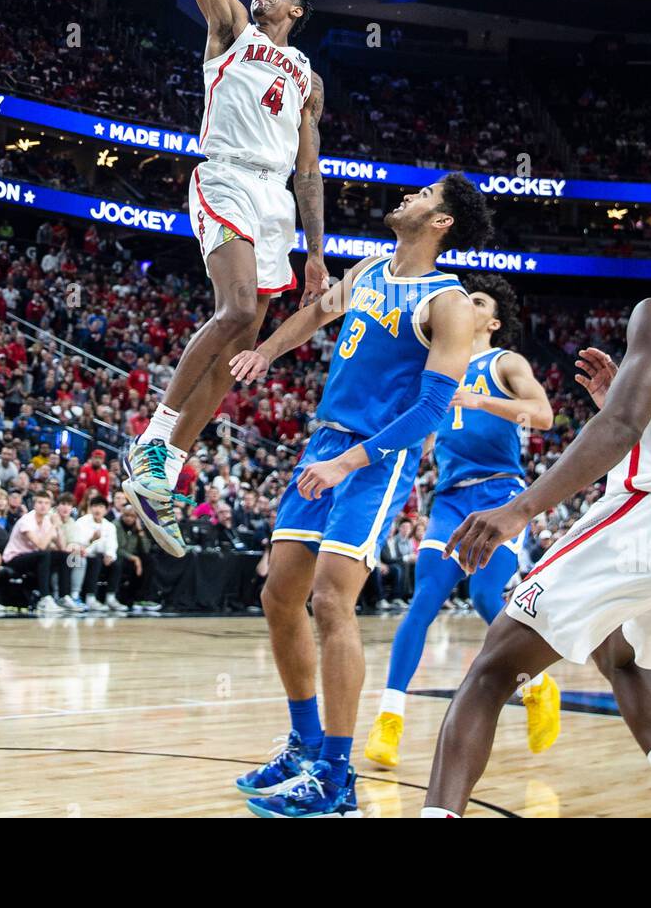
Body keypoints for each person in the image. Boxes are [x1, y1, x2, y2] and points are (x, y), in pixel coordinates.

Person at [423, 204, 651, 819]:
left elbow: (621, 425)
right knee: (626, 658)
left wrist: (520, 510)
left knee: (492, 670)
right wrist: (617, 397)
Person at [228, 175, 492, 818]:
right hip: (326, 442)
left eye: (425, 194)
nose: (409, 195)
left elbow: (431, 407)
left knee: (330, 600)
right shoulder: (371, 268)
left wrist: (350, 462)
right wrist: (265, 352)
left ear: (442, 222)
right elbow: (316, 314)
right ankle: (304, 745)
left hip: (375, 460)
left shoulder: (449, 303)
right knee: (279, 595)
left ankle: (337, 777)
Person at [123, 0, 329, 558]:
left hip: (277, 202)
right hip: (227, 176)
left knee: (243, 340)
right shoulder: (233, 31)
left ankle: (165, 472)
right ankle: (154, 435)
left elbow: (310, 169)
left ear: (299, 10)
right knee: (237, 309)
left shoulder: (309, 80)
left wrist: (318, 252)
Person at [365, 275, 560, 769]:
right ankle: (389, 719)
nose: (464, 304)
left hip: (500, 493)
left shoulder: (505, 361)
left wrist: (481, 400)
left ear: (492, 321)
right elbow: (432, 428)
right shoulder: (441, 368)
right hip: (450, 499)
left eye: (476, 301)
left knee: (482, 597)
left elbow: (543, 415)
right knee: (423, 601)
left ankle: (537, 683)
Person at [3, 491, 72, 615]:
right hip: (15, 558)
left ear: (50, 506)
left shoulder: (47, 520)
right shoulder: (27, 520)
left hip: (34, 558)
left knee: (65, 556)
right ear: (34, 504)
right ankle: (44, 598)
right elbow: (41, 545)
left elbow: (62, 547)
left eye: (46, 503)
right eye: (40, 502)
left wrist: (58, 526)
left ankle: (63, 597)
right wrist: (53, 526)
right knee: (44, 554)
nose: (43, 506)